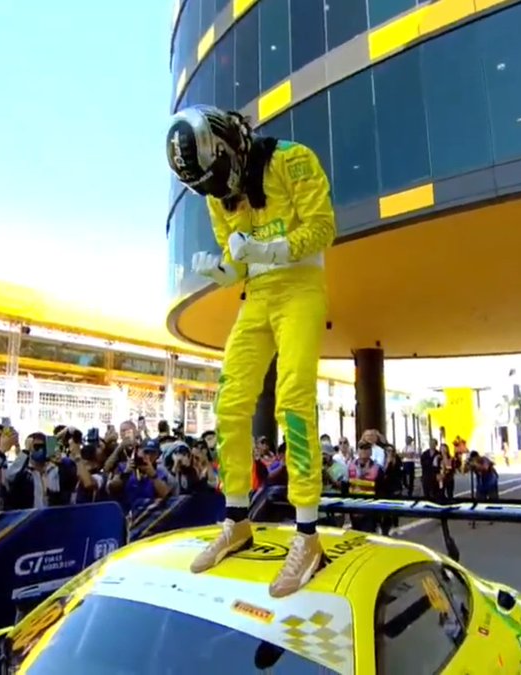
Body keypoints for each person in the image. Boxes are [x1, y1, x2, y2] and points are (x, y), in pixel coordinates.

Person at [167, 104, 335, 597]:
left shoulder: (293, 159)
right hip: (257, 296)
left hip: (300, 289)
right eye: (208, 188)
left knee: (294, 398)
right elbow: (236, 261)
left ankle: (308, 534)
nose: (221, 194)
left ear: (231, 146)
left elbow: (322, 227)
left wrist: (267, 251)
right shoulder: (215, 196)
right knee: (229, 404)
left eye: (220, 179)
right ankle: (236, 519)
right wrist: (221, 272)